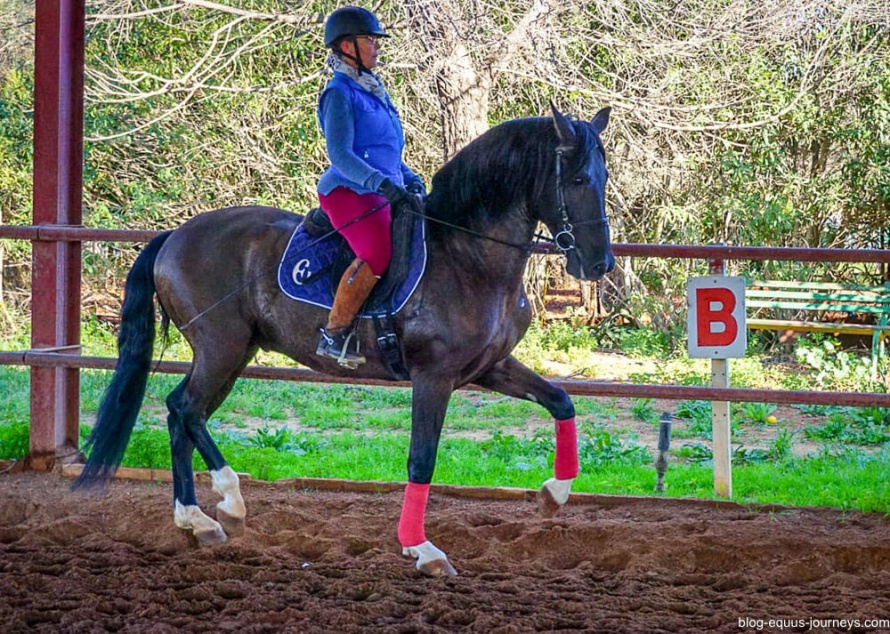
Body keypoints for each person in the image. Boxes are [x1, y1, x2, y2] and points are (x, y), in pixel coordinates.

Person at [315, 5, 426, 368]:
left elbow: (385, 152)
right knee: (377, 251)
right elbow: (341, 156)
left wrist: (407, 179)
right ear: (347, 46)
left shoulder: (374, 90)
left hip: (382, 187)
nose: (377, 47)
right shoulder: (339, 93)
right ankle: (334, 332)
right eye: (370, 40)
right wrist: (381, 183)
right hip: (347, 191)